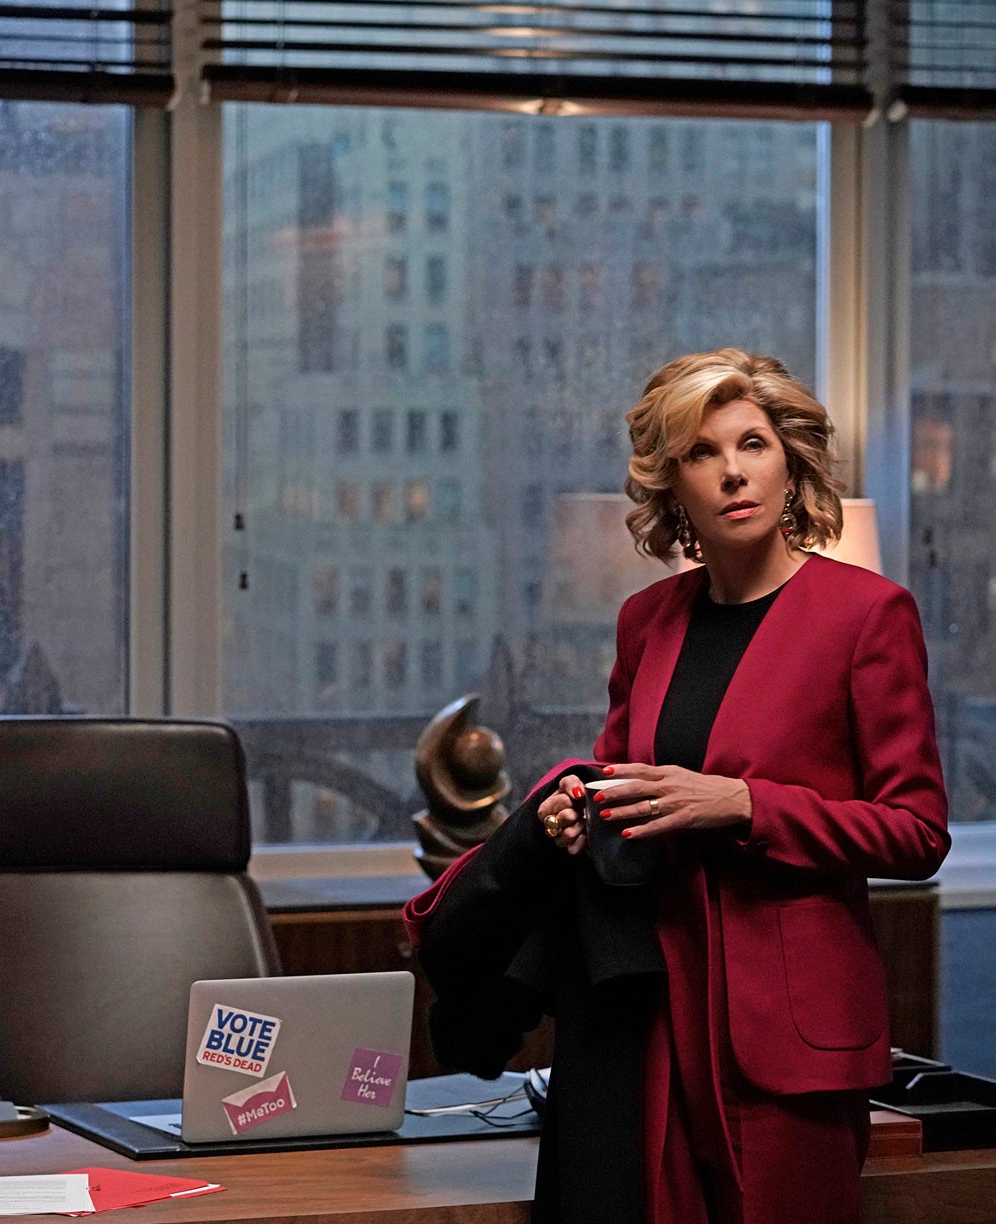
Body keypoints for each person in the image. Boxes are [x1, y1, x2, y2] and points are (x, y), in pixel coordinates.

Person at [403, 348, 950, 1224]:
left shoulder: (867, 615)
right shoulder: (647, 621)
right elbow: (626, 782)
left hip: (788, 1029)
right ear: (673, 486)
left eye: (754, 443)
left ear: (790, 460)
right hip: (647, 1006)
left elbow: (917, 832)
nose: (734, 471)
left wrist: (743, 803)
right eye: (702, 453)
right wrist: (574, 815)